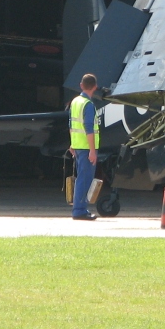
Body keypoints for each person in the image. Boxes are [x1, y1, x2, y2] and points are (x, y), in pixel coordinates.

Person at [69, 73, 101, 220]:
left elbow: (71, 125)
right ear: (95, 87)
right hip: (86, 147)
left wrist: (72, 143)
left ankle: (79, 208)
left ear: (81, 85)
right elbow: (89, 127)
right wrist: (93, 151)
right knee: (85, 178)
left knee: (81, 177)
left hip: (78, 146)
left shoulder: (75, 101)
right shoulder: (88, 105)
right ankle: (79, 210)